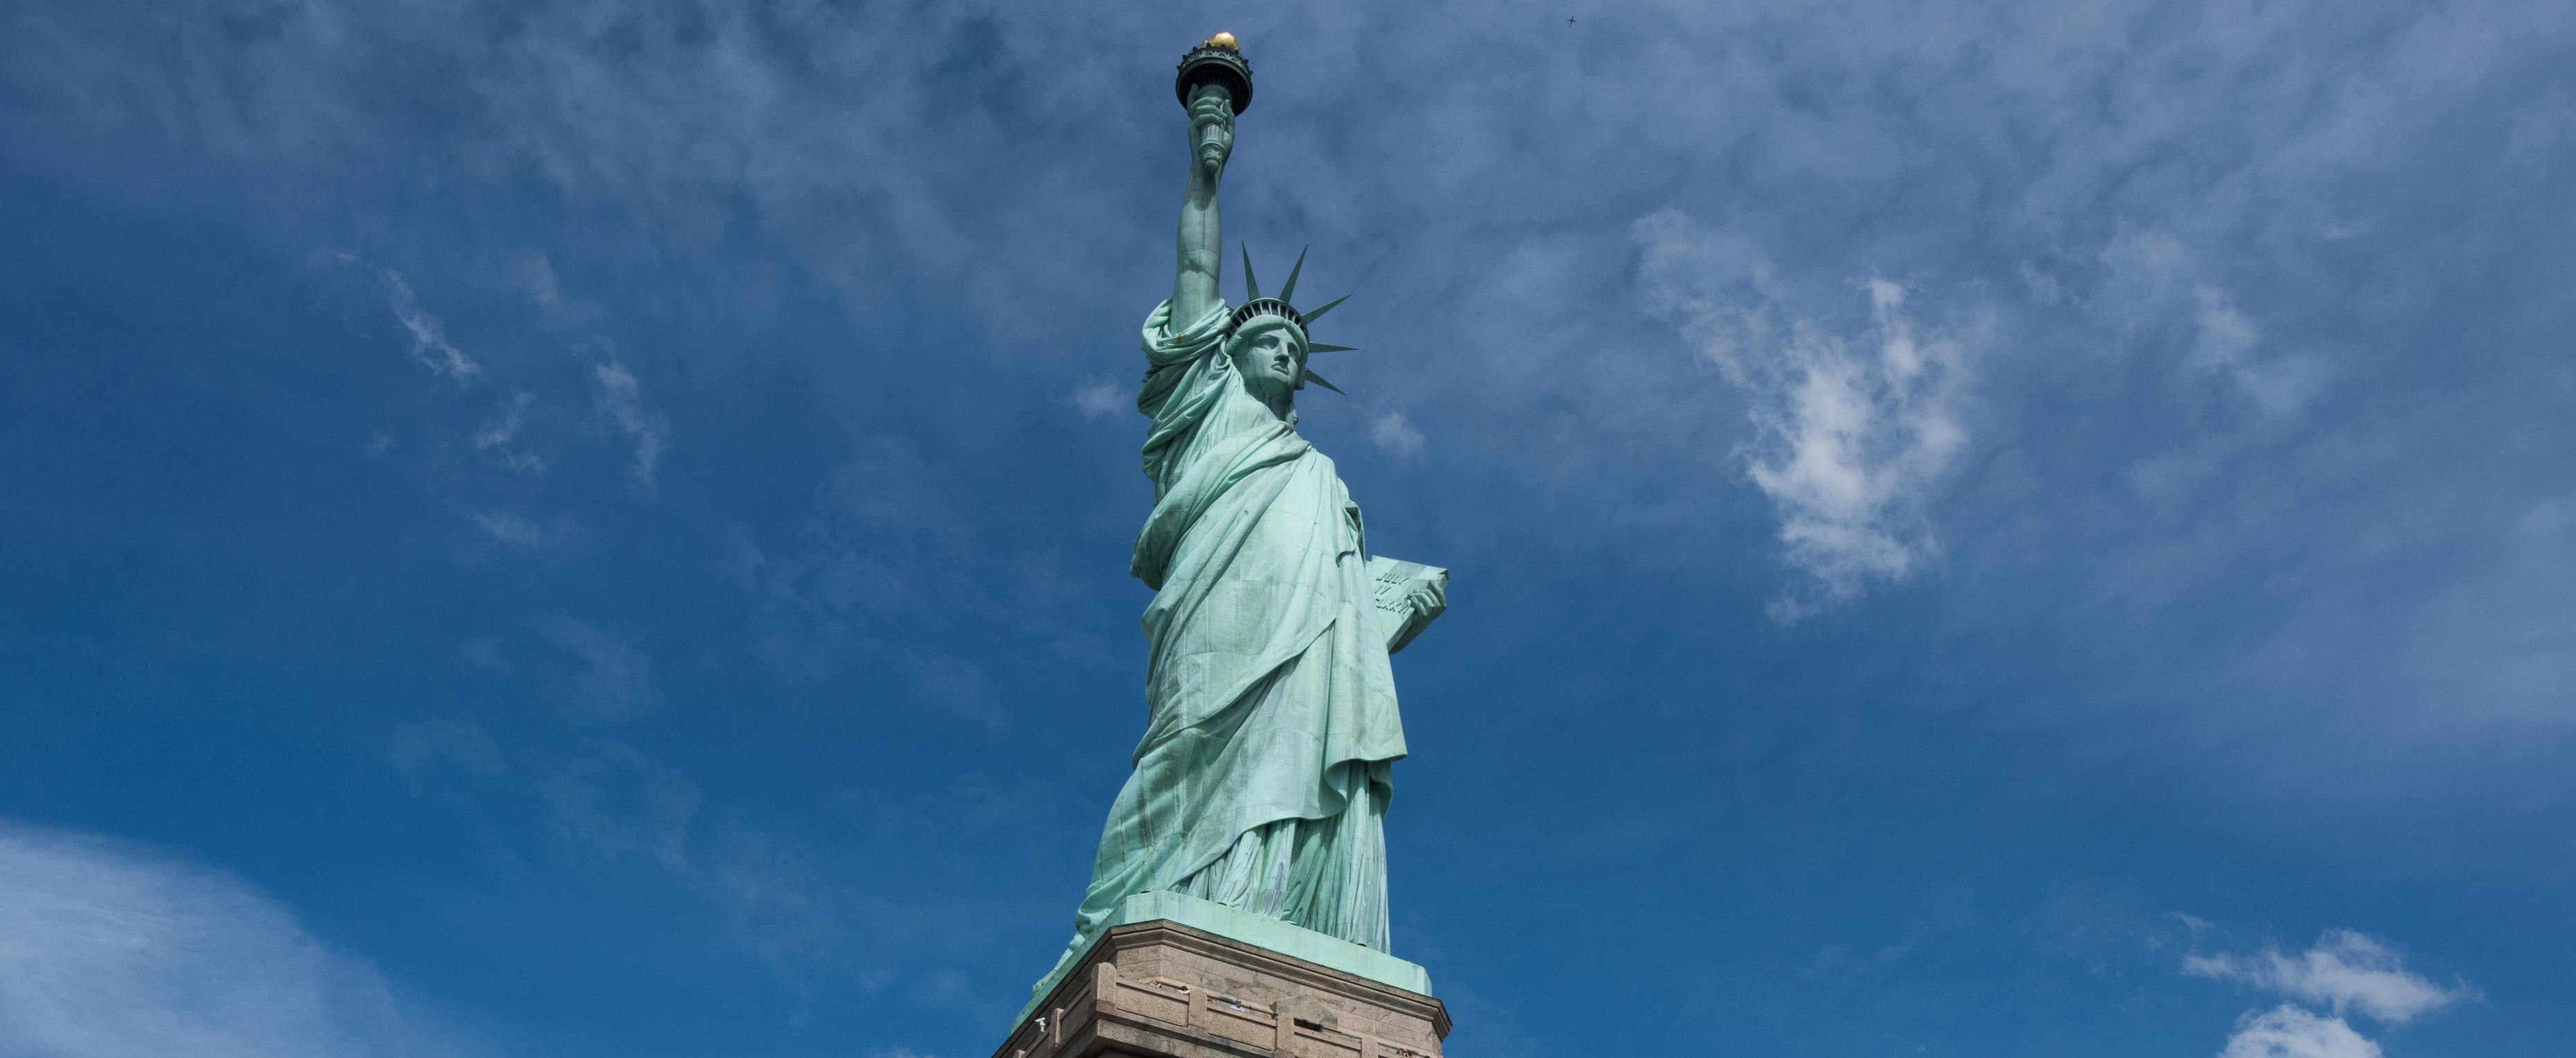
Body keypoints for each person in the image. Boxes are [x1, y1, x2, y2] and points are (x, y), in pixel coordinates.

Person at [1030, 78, 1444, 1000]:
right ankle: (1127, 916)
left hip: (1306, 639)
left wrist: (1386, 602)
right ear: (1226, 353)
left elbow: (1349, 597)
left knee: (1297, 741)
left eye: (1296, 348)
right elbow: (1194, 271)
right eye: (1266, 339)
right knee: (1183, 749)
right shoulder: (1202, 405)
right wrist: (1204, 167)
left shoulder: (1320, 474)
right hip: (1215, 612)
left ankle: (1279, 911)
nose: (1285, 350)